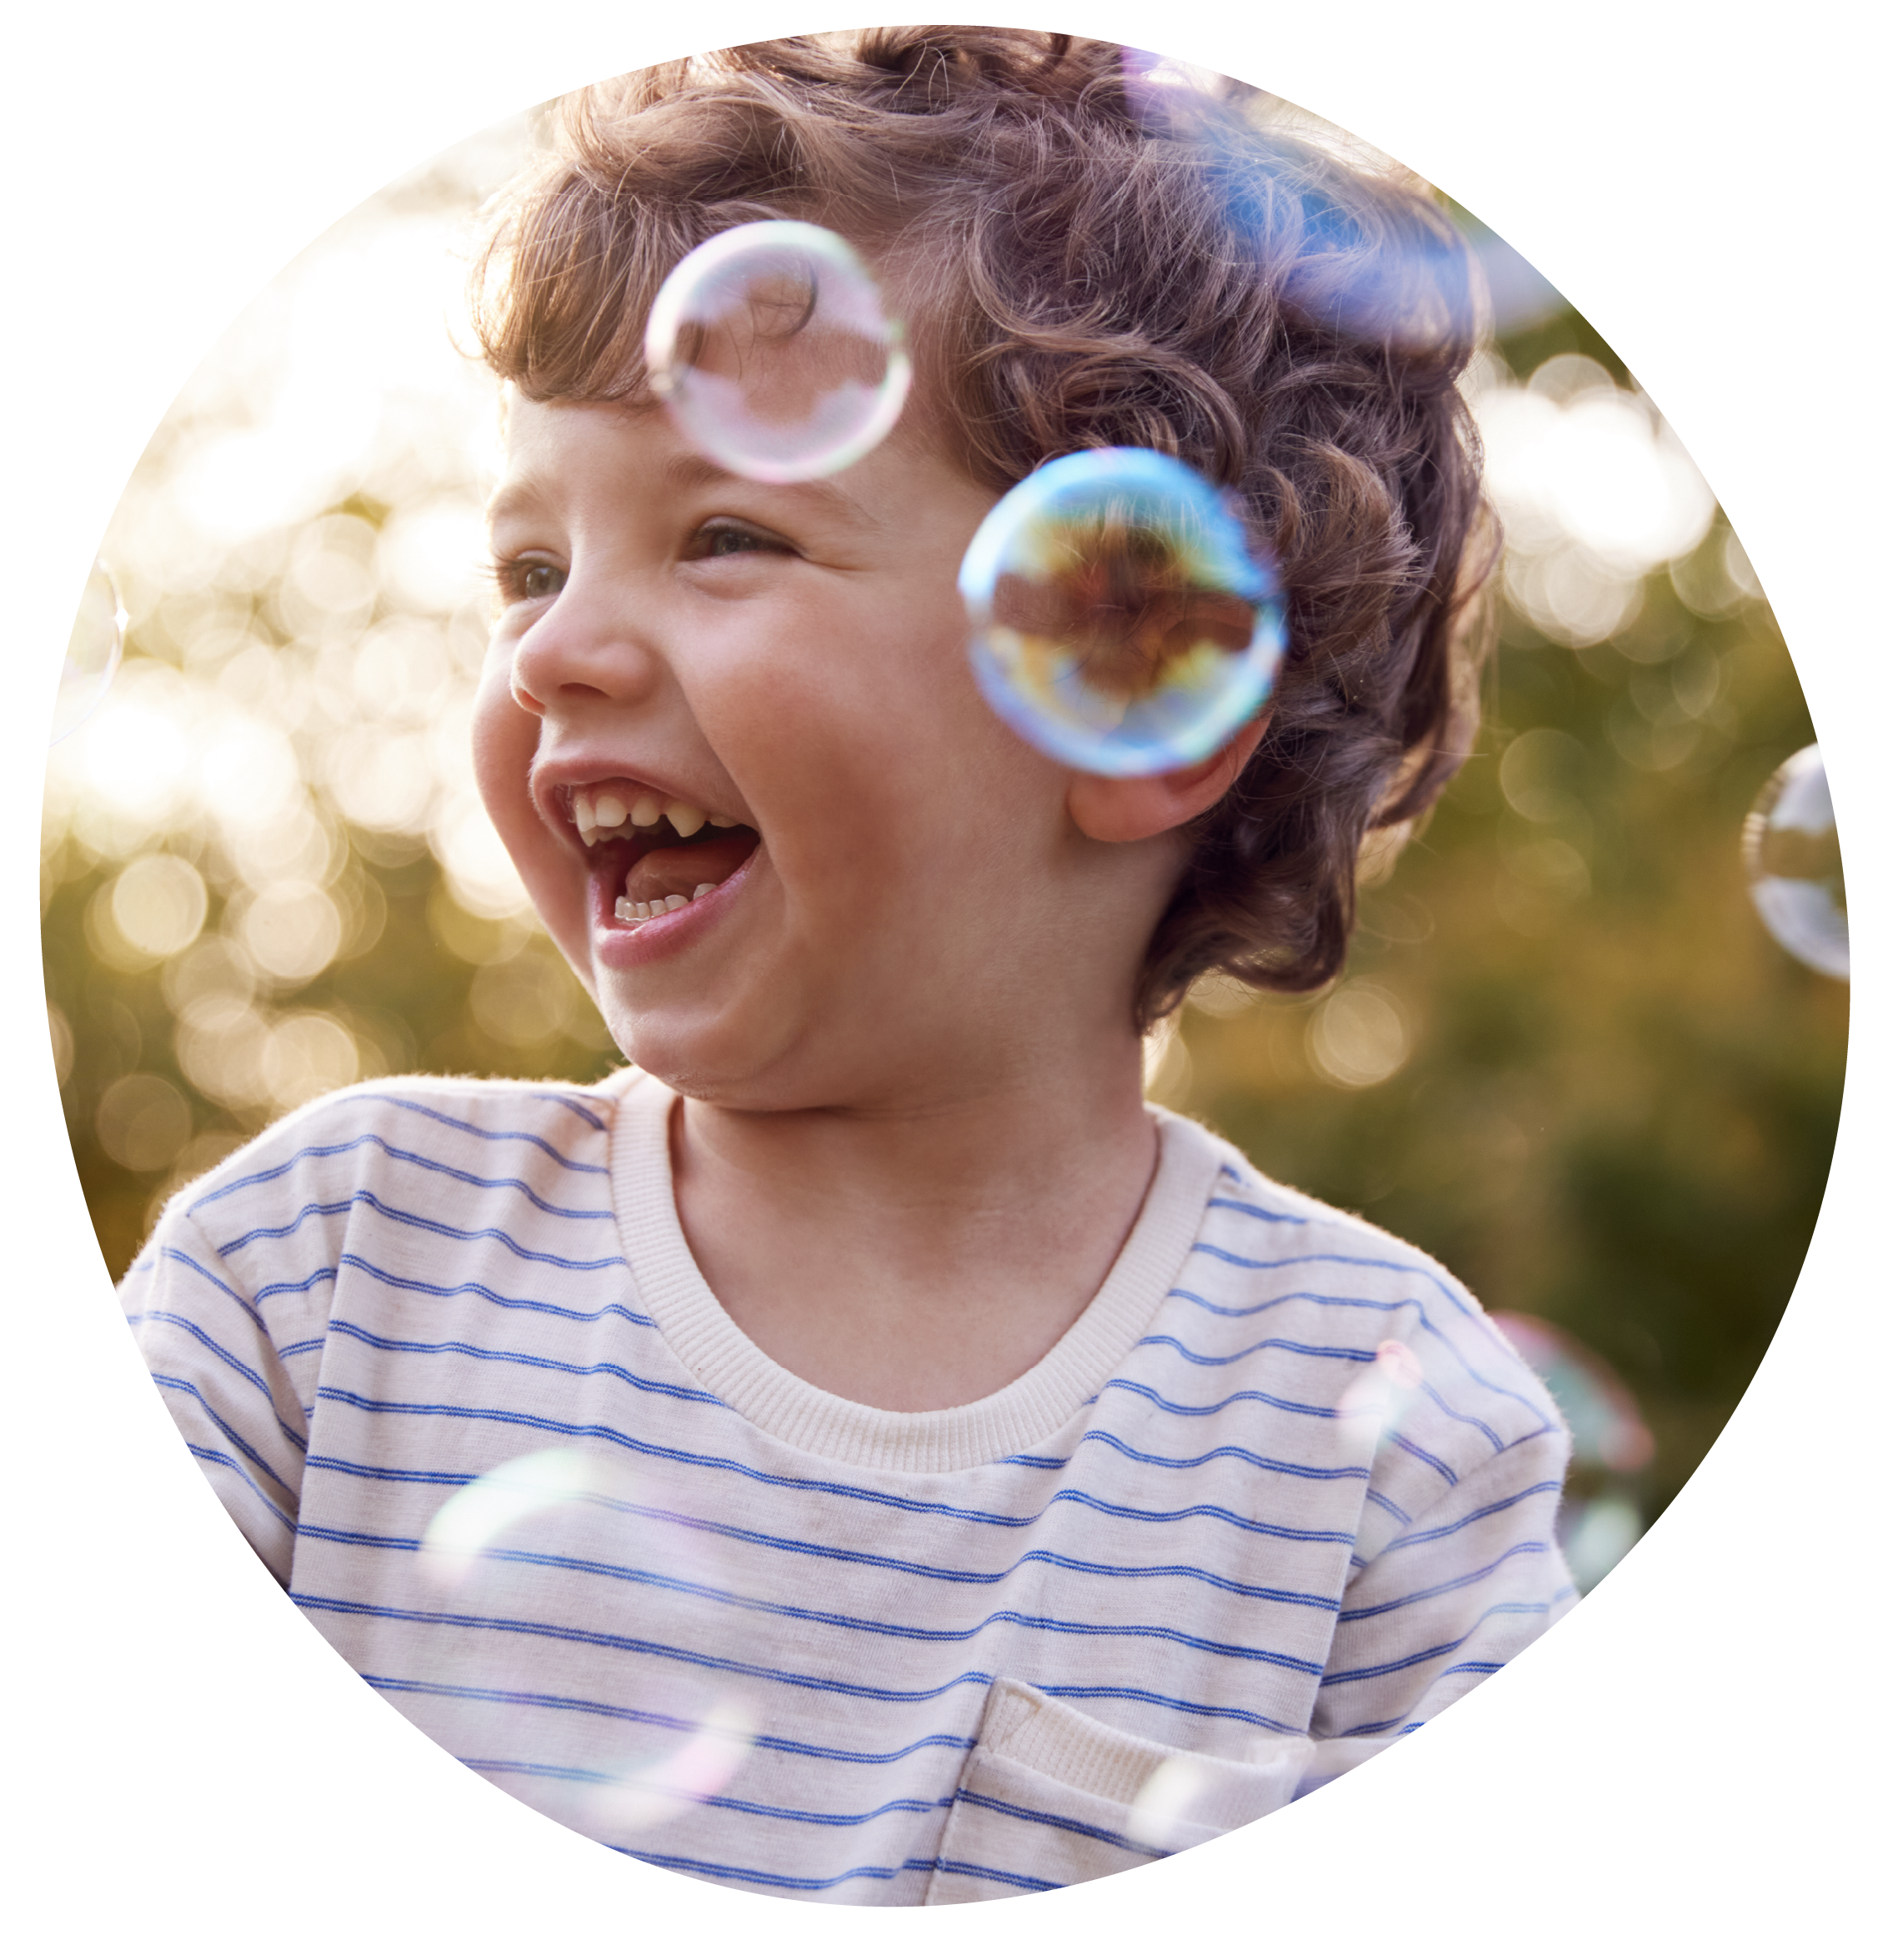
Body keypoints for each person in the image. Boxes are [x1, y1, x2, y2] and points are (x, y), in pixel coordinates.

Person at [118, 29, 1576, 1910]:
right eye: (532, 568)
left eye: (725, 534)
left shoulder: (1387, 1454)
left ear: (1135, 684)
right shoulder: (321, 1277)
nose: (553, 655)